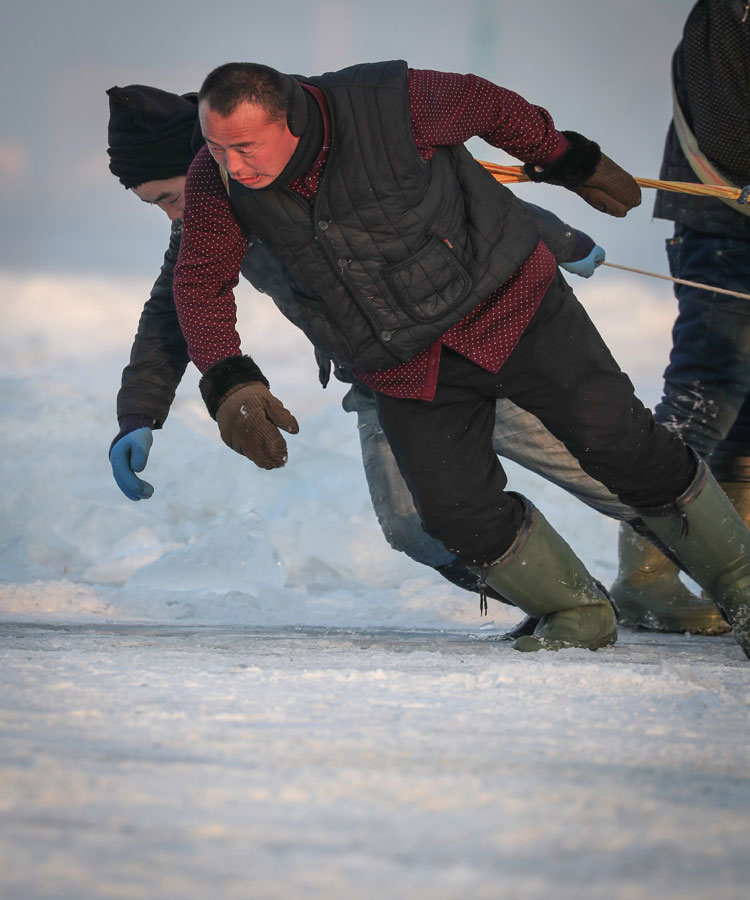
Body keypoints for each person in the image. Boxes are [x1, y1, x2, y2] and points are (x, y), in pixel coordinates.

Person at [609, 0, 750, 635]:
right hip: (726, 229)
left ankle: (735, 576)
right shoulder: (728, 10)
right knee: (705, 395)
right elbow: (726, 132)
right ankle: (647, 580)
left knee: (744, 417)